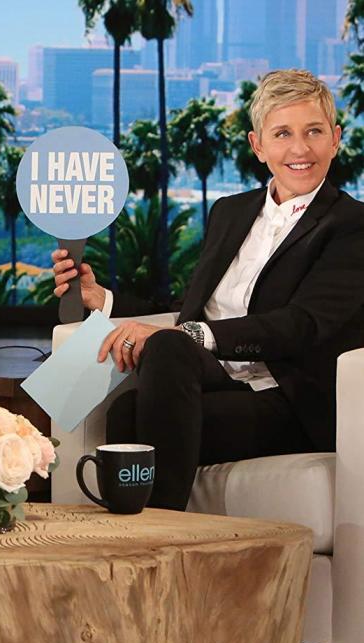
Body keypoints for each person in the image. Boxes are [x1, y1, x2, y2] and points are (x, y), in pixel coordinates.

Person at [51, 69, 364, 511]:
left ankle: (158, 531)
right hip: (212, 377)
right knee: (127, 404)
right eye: (282, 133)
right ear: (258, 145)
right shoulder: (230, 212)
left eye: (313, 131)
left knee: (144, 393)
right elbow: (189, 306)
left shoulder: (352, 225)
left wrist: (189, 335)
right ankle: (117, 520)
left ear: (335, 139)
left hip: (286, 397)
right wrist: (103, 300)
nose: (300, 148)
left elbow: (302, 325)